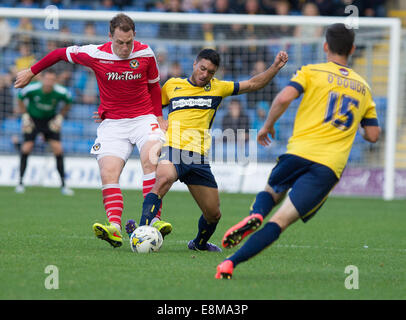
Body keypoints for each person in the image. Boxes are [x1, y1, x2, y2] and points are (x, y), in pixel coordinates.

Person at [215, 23, 381, 279]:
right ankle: (230, 264)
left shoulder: (312, 71)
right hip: (328, 166)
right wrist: (355, 121)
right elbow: (373, 135)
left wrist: (267, 126)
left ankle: (256, 213)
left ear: (325, 46)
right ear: (353, 50)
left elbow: (282, 98)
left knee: (272, 190)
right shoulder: (364, 88)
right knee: (279, 222)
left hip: (298, 152)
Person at [14, 13, 171, 249]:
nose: (125, 47)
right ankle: (115, 228)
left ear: (134, 36)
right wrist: (31, 72)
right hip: (113, 124)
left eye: (128, 42)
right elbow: (59, 53)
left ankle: (153, 220)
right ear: (110, 37)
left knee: (151, 160)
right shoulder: (95, 53)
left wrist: (159, 117)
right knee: (108, 172)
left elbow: (153, 87)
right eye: (119, 42)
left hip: (143, 118)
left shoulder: (146, 53)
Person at [125, 48, 288, 252]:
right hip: (173, 148)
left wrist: (274, 68)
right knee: (163, 179)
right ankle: (141, 231)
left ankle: (199, 244)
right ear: (194, 64)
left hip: (197, 158)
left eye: (210, 72)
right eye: (202, 68)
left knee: (213, 214)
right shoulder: (172, 85)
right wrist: (155, 119)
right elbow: (148, 107)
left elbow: (254, 84)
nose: (205, 74)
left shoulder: (218, 88)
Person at [14, 69, 74, 196]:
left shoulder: (61, 92)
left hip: (49, 120)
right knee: (26, 148)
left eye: (51, 80)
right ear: (42, 79)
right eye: (47, 79)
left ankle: (63, 185)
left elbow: (69, 102)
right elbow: (19, 98)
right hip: (33, 120)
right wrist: (25, 117)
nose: (49, 82)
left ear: (55, 81)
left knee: (58, 149)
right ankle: (20, 183)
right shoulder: (32, 89)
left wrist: (60, 118)